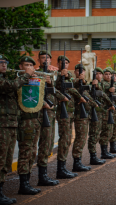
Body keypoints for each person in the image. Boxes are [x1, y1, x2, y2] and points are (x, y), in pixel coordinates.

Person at [0, 54, 34, 204]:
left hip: (11, 123)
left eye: (5, 62)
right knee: (1, 159)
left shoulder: (8, 77)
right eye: (0, 63)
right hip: (2, 125)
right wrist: (26, 75)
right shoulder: (4, 81)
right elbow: (12, 86)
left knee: (7, 160)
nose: (4, 65)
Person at [17, 56, 51, 195]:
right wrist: (27, 75)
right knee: (25, 152)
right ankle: (23, 184)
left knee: (32, 152)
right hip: (24, 121)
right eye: (26, 65)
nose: (29, 67)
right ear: (20, 66)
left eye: (31, 65)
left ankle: (27, 182)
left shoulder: (33, 79)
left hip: (35, 120)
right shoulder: (18, 78)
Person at [36, 51, 68, 186]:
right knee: (42, 144)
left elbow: (56, 90)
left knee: (48, 144)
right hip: (39, 112)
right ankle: (42, 176)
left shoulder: (54, 75)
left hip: (51, 113)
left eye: (48, 58)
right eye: (43, 58)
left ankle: (45, 174)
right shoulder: (35, 73)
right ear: (38, 60)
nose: (45, 60)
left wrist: (52, 84)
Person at [55, 56, 86, 179]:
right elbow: (55, 87)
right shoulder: (55, 75)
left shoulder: (70, 77)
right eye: (63, 63)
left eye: (67, 63)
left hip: (70, 112)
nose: (65, 65)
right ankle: (60, 169)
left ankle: (63, 167)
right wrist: (60, 76)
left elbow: (73, 85)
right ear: (58, 64)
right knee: (65, 139)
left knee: (68, 139)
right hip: (63, 112)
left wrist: (80, 80)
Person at [71, 64, 98, 172]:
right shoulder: (73, 82)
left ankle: (78, 162)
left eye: (82, 71)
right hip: (79, 114)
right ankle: (76, 162)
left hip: (86, 114)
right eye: (78, 71)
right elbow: (73, 88)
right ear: (75, 72)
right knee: (80, 138)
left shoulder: (85, 84)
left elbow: (90, 95)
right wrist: (79, 81)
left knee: (83, 138)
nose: (80, 73)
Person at [88, 67, 114, 165]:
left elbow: (103, 93)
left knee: (104, 132)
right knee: (94, 135)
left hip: (102, 112)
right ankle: (93, 156)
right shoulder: (91, 85)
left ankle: (103, 152)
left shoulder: (102, 85)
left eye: (100, 74)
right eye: (96, 74)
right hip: (95, 112)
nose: (98, 75)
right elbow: (101, 95)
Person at [99, 68, 116, 159]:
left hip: (110, 110)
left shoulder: (111, 84)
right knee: (105, 131)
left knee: (109, 130)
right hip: (105, 110)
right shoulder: (102, 83)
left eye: (110, 74)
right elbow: (103, 90)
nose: (108, 76)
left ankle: (106, 150)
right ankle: (103, 152)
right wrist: (110, 89)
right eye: (106, 74)